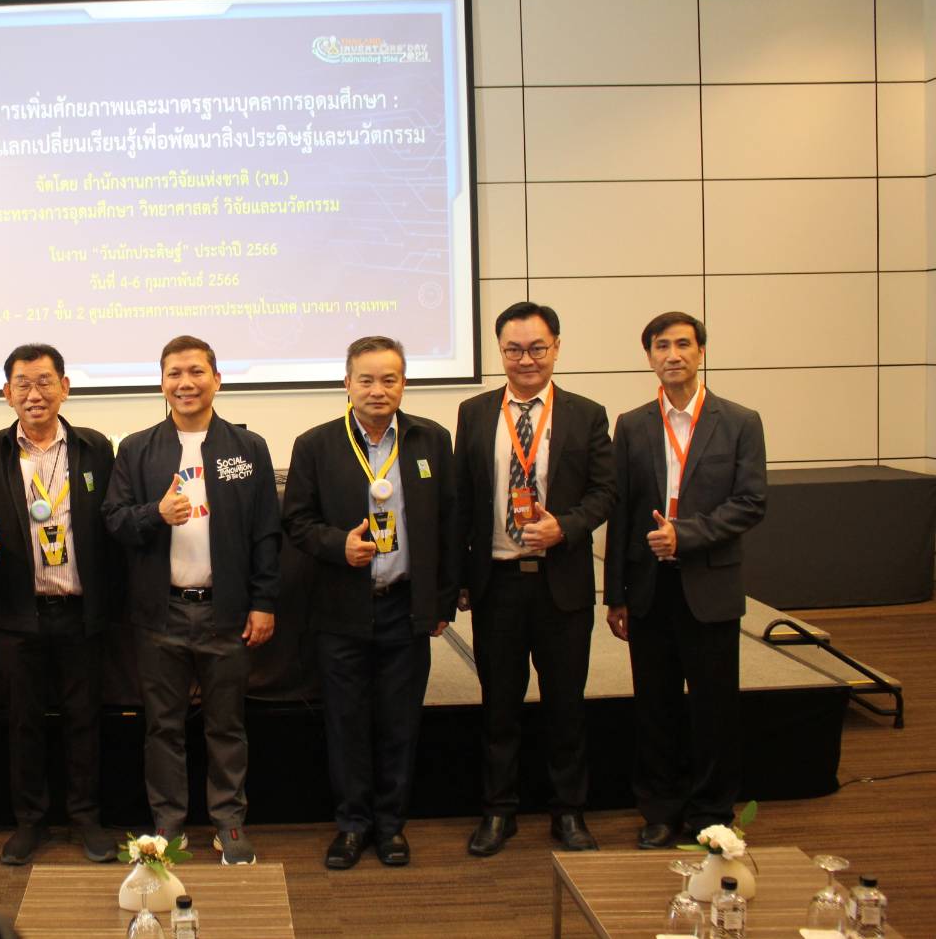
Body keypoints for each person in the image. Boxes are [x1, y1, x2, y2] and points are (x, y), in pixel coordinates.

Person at [281, 336, 459, 869]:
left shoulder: (431, 440)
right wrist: (340, 545)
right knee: (346, 723)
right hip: (341, 608)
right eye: (367, 379)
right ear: (347, 383)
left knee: (400, 723)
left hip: (406, 606)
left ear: (403, 383)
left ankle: (391, 826)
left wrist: (441, 602)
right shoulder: (315, 444)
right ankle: (352, 825)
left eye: (389, 379)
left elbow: (449, 522)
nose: (378, 390)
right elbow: (296, 521)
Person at [103, 334, 280, 865]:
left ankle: (229, 823)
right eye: (175, 373)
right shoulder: (137, 449)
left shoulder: (247, 448)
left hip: (228, 612)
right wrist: (154, 514)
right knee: (163, 727)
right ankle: (169, 826)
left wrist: (264, 601)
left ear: (216, 379)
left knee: (227, 724)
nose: (186, 382)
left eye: (196, 371)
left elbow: (266, 532)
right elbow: (114, 520)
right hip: (161, 613)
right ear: (162, 383)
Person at [454, 302, 615, 856]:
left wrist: (564, 527)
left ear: (556, 348)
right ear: (500, 351)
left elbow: (605, 492)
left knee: (565, 704)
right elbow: (462, 498)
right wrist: (460, 577)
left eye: (537, 348)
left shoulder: (586, 414)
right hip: (497, 583)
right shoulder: (474, 412)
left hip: (560, 583)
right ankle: (498, 811)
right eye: (514, 349)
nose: (526, 359)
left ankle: (568, 811)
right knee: (499, 704)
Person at [604, 311, 767, 849]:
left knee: (714, 706)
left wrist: (686, 535)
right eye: (661, 346)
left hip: (709, 583)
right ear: (649, 356)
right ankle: (659, 809)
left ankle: (711, 811)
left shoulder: (740, 421)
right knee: (655, 705)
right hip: (650, 587)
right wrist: (616, 594)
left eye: (682, 344)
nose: (672, 354)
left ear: (701, 352)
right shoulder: (632, 424)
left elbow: (751, 502)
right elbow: (622, 512)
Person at [0, 343, 119, 865]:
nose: (35, 394)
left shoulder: (94, 448)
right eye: (23, 384)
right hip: (17, 612)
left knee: (84, 719)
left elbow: (111, 522)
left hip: (79, 609)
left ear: (65, 388)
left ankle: (86, 818)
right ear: (7, 394)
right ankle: (29, 821)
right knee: (23, 722)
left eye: (45, 382)